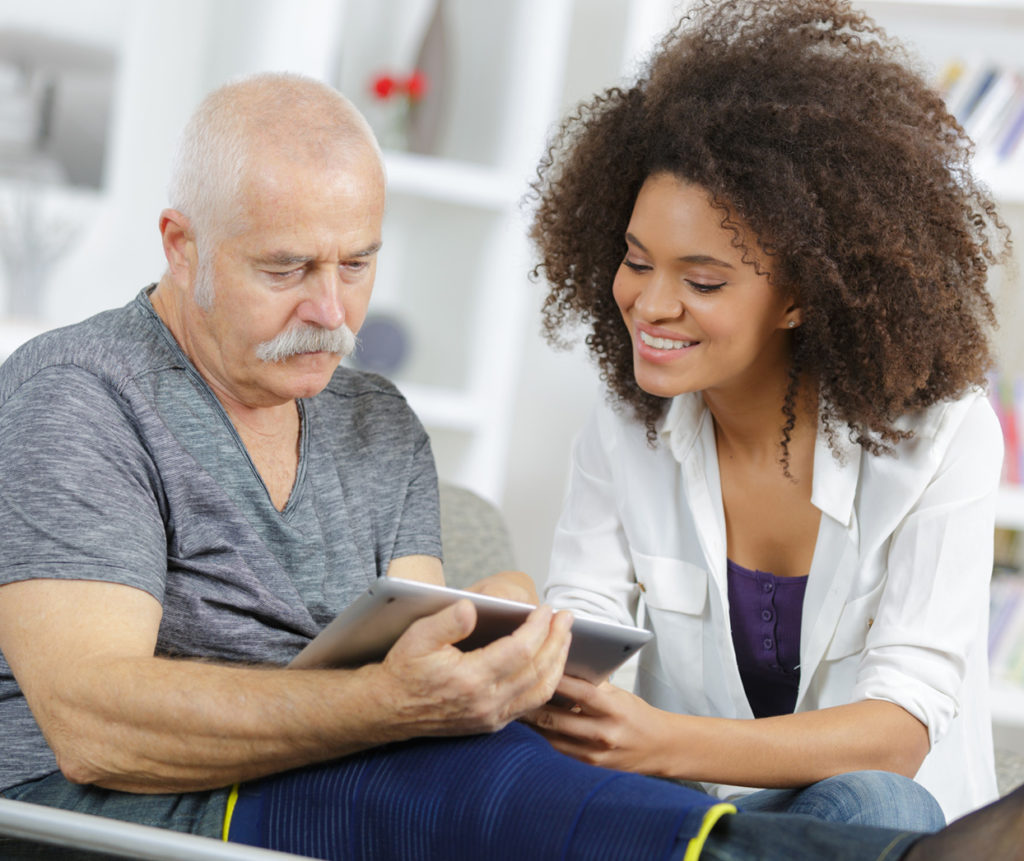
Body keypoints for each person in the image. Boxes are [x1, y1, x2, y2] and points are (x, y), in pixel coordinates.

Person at [0, 68, 1019, 861]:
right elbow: (93, 728)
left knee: (495, 765)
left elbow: (414, 657)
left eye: (356, 265)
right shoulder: (78, 393)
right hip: (126, 808)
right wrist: (397, 706)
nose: (330, 312)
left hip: (338, 769)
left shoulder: (373, 420)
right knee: (461, 783)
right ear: (182, 247)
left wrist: (490, 635)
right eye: (285, 269)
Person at [527, 0, 1010, 833]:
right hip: (695, 818)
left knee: (870, 801)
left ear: (798, 296)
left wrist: (660, 741)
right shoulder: (623, 428)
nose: (651, 302)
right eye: (637, 261)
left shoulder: (944, 435)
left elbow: (896, 735)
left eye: (703, 281)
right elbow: (585, 638)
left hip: (872, 826)